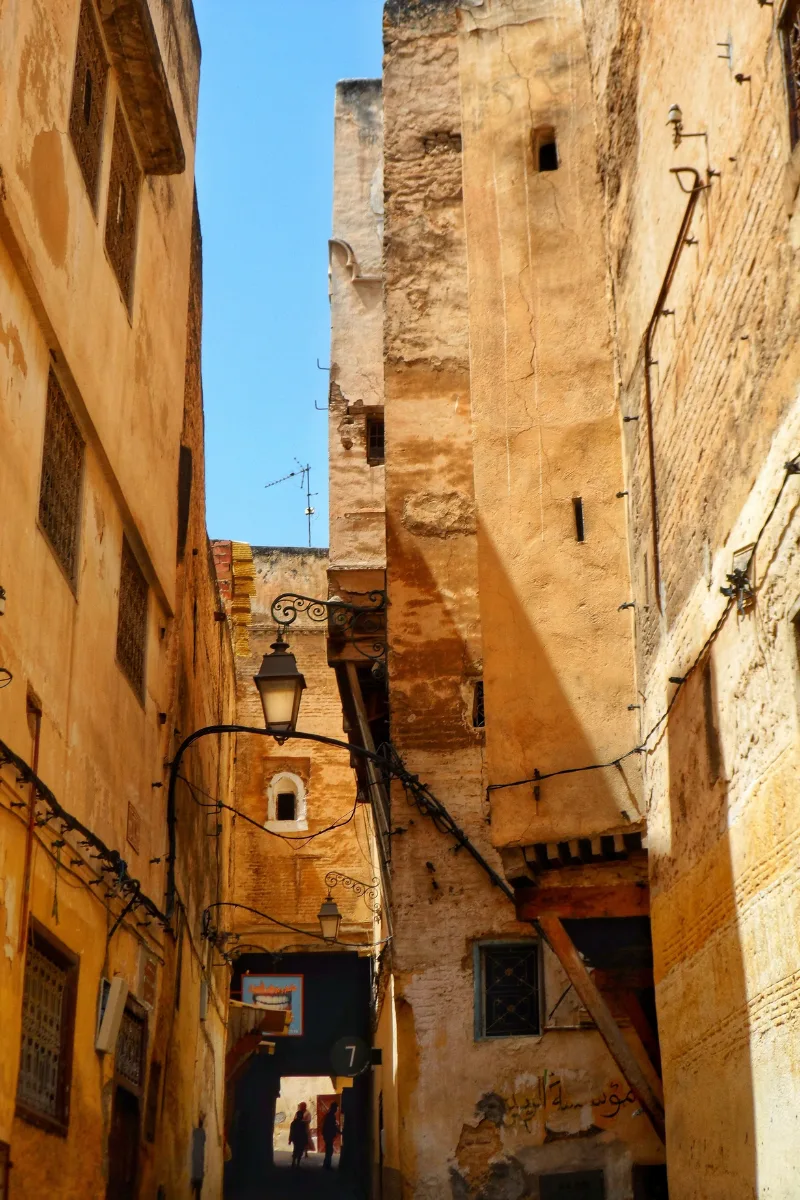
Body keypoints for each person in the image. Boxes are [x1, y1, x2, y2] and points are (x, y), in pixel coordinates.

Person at [190, 1113, 206, 1198]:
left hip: (197, 1174)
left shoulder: (198, 1133)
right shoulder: (201, 1133)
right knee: (198, 1194)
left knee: (197, 1193)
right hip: (198, 1175)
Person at [321, 1101, 340, 1171]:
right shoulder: (331, 1116)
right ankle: (327, 1165)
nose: (336, 1109)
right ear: (333, 1108)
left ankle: (326, 1164)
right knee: (329, 1150)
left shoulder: (329, 1115)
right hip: (328, 1134)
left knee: (329, 1149)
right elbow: (332, 1126)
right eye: (336, 1108)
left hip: (327, 1134)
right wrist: (339, 1131)